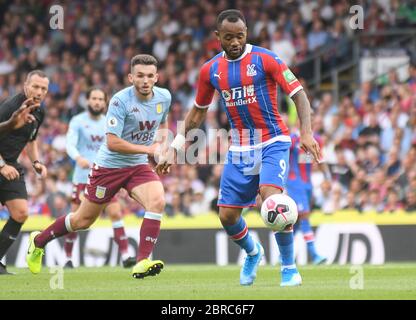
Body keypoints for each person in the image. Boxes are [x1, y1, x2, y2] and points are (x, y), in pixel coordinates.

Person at [157, 10, 321, 287]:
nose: (235, 42)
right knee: (227, 216)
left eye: (240, 36)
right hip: (241, 147)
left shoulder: (266, 59)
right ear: (217, 37)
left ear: (247, 33)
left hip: (273, 141)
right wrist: (175, 147)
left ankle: (289, 268)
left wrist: (306, 132)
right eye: (229, 37)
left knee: (273, 201)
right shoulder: (210, 70)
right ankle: (253, 252)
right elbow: (197, 113)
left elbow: (299, 94)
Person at [27, 54, 170, 279]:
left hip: (138, 166)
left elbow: (162, 125)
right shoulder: (119, 101)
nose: (145, 80)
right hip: (108, 168)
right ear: (131, 77)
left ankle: (142, 260)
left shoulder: (164, 97)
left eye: (150, 76)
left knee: (158, 201)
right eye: (140, 75)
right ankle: (38, 241)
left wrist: (162, 152)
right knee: (82, 220)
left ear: (156, 77)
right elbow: (113, 143)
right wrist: (149, 150)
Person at [64, 87, 136, 268]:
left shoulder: (109, 122)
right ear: (88, 101)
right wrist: (77, 157)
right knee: (75, 218)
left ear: (105, 103)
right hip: (82, 177)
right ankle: (67, 258)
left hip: (106, 176)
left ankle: (127, 255)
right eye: (94, 98)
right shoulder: (78, 121)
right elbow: (69, 144)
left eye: (100, 99)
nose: (97, 102)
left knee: (115, 212)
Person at [0, 70, 49, 275]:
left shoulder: (39, 111)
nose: (39, 92)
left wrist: (36, 161)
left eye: (43, 88)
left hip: (11, 164)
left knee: (21, 213)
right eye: (35, 86)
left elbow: (31, 139)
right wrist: (2, 165)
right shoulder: (10, 107)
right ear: (25, 85)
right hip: (3, 164)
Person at [287, 129, 328, 265]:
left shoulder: (316, 138)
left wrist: (327, 178)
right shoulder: (293, 137)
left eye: (312, 115)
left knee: (297, 222)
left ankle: (284, 256)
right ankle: (314, 255)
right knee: (304, 216)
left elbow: (320, 159)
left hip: (308, 184)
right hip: (294, 183)